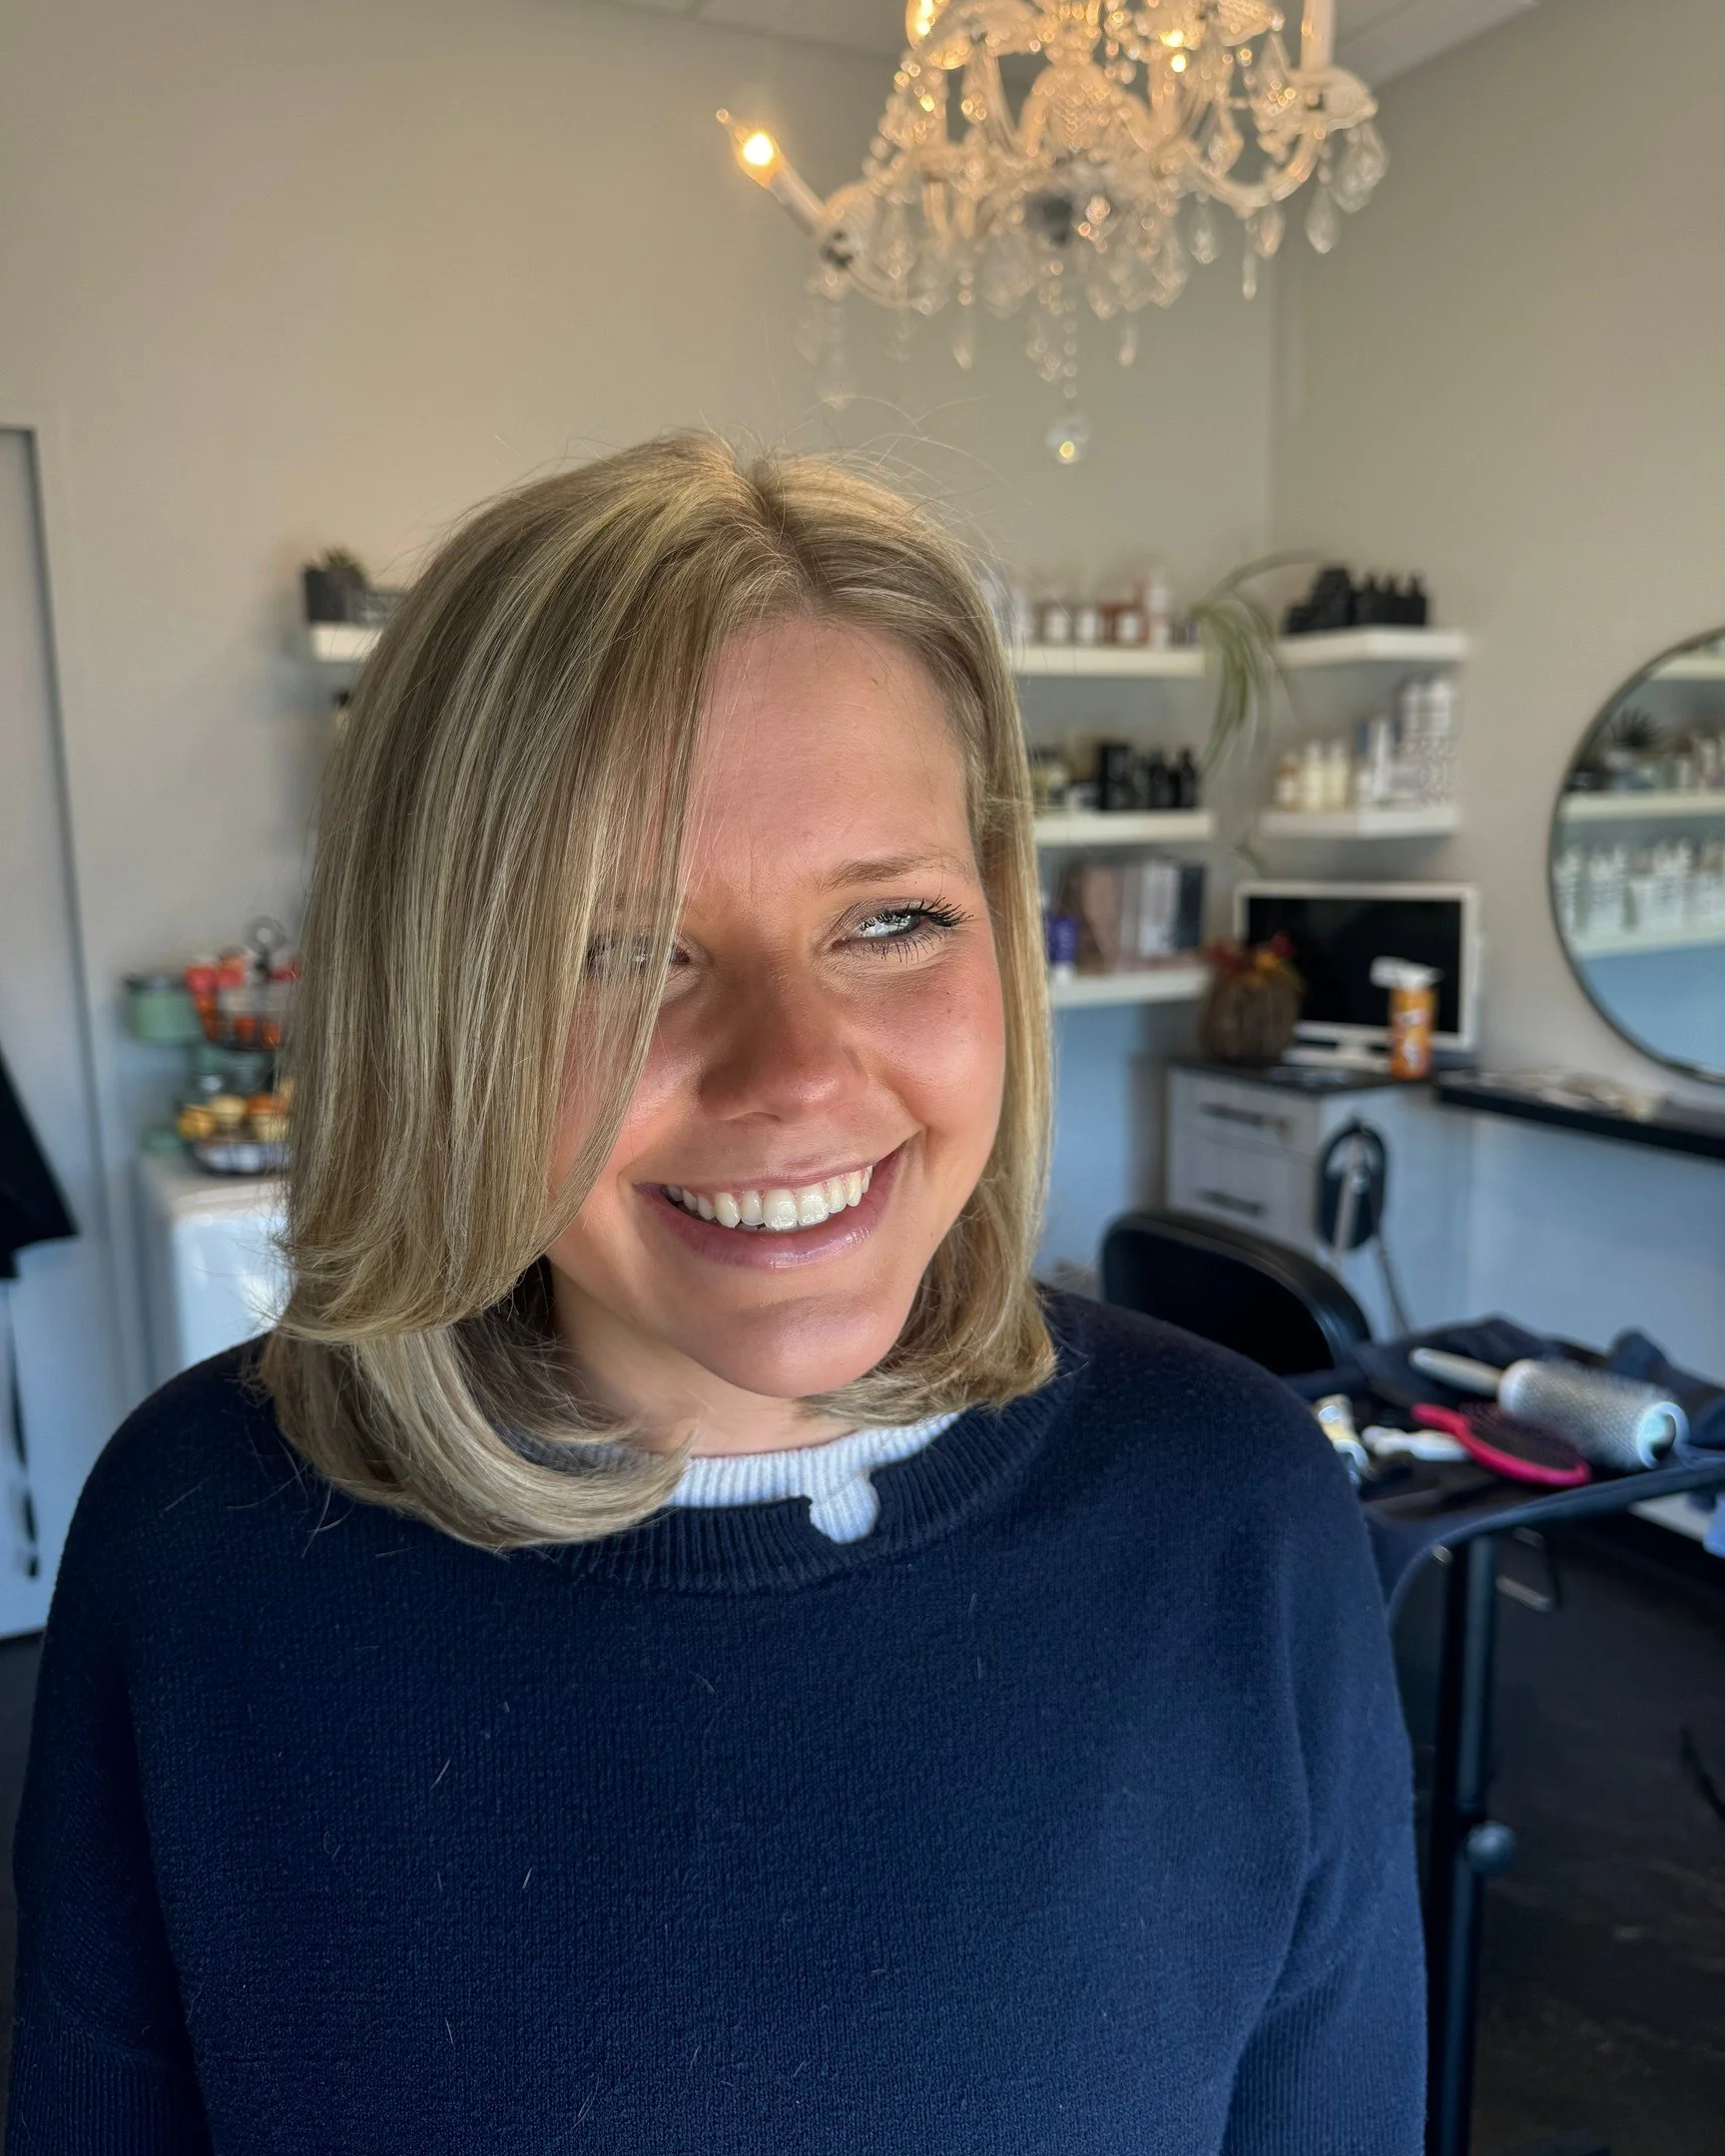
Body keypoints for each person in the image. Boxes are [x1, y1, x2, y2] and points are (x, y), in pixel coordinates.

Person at [7, 435, 1424, 2154]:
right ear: (435, 998)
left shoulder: (1241, 1514)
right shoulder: (200, 1538)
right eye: (620, 950)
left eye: (891, 922)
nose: (794, 1073)